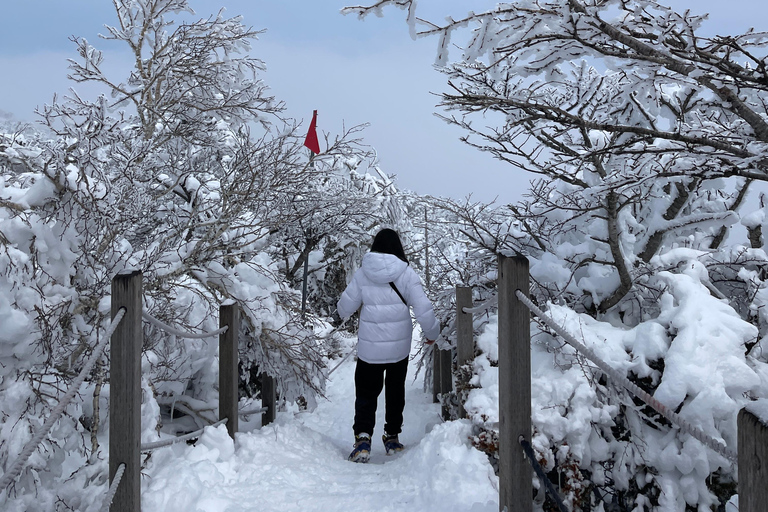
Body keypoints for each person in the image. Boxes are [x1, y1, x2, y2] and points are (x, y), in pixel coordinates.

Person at [337, 228, 440, 463]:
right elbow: (423, 309)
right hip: (398, 350)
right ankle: (392, 438)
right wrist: (432, 332)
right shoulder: (406, 273)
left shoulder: (364, 273)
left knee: (366, 393)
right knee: (395, 391)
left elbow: (344, 308)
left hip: (369, 350)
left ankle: (363, 440)